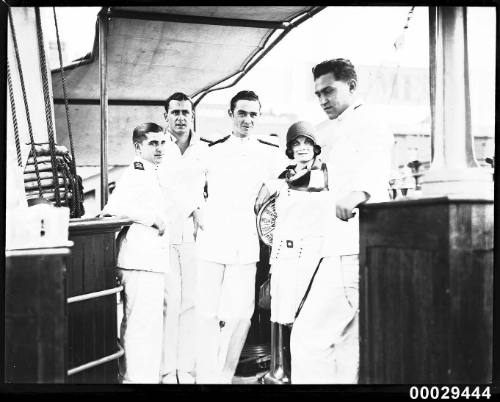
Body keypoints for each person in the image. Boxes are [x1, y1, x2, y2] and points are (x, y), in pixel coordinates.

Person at [288, 58, 392, 383]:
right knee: (346, 345)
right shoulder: (341, 128)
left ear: (351, 86)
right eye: (317, 94)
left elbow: (378, 159)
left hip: (349, 250)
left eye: (329, 91)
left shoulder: (367, 121)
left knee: (307, 340)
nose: (322, 100)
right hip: (346, 249)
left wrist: (359, 192)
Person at [194, 90, 285, 384]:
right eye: (242, 113)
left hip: (245, 244)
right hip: (211, 240)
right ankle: (206, 375)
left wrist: (271, 185)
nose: (247, 119)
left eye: (253, 114)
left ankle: (223, 374)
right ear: (230, 114)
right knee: (206, 313)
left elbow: (291, 176)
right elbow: (191, 184)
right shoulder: (211, 151)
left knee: (240, 315)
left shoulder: (269, 152)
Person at [100, 122, 170, 383]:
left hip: (149, 260)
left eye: (162, 142)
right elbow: (113, 207)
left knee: (145, 325)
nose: (159, 148)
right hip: (141, 260)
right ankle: (136, 380)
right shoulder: (137, 171)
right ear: (138, 147)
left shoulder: (151, 171)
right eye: (153, 143)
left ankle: (138, 378)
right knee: (141, 325)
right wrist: (153, 218)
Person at [159, 92, 210, 384]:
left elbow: (212, 185)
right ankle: (167, 372)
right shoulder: (157, 146)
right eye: (175, 112)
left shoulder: (204, 150)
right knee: (169, 302)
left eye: (185, 113)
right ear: (166, 116)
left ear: (192, 116)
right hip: (165, 235)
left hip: (194, 236)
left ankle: (186, 370)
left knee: (191, 303)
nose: (180, 118)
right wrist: (194, 207)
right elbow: (165, 183)